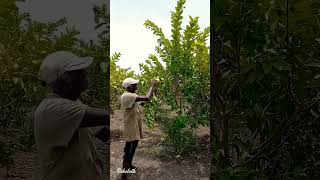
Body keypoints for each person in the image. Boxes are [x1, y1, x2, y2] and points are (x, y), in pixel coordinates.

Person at [34, 51, 109, 180]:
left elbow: (99, 132)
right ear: (66, 78)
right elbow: (106, 116)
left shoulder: (73, 104)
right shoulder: (54, 108)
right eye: (79, 71)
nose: (85, 73)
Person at [120, 77, 157, 176]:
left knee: (134, 145)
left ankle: (130, 165)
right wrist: (152, 86)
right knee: (128, 149)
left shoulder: (132, 95)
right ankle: (124, 173)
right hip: (130, 126)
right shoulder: (126, 96)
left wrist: (151, 93)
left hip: (134, 124)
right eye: (135, 84)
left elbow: (141, 104)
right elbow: (146, 98)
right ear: (129, 86)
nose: (136, 86)